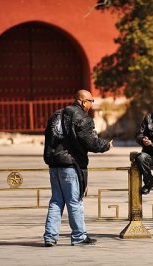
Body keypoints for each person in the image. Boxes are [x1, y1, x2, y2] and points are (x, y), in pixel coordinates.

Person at [43, 90, 112, 247]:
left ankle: (50, 237)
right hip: (71, 165)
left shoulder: (55, 115)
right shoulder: (81, 117)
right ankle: (79, 237)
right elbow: (91, 142)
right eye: (90, 101)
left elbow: (48, 137)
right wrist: (106, 145)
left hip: (54, 163)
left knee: (56, 201)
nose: (90, 105)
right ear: (82, 101)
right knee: (75, 201)